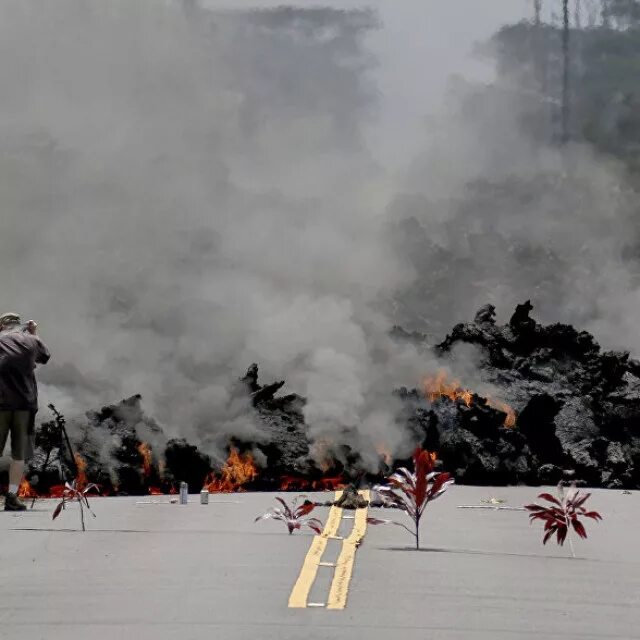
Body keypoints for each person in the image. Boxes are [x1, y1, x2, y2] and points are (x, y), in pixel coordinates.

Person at [0, 313, 50, 511]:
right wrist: (35, 333)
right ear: (18, 324)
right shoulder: (31, 340)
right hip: (24, 405)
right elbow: (45, 357)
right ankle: (12, 496)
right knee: (18, 455)